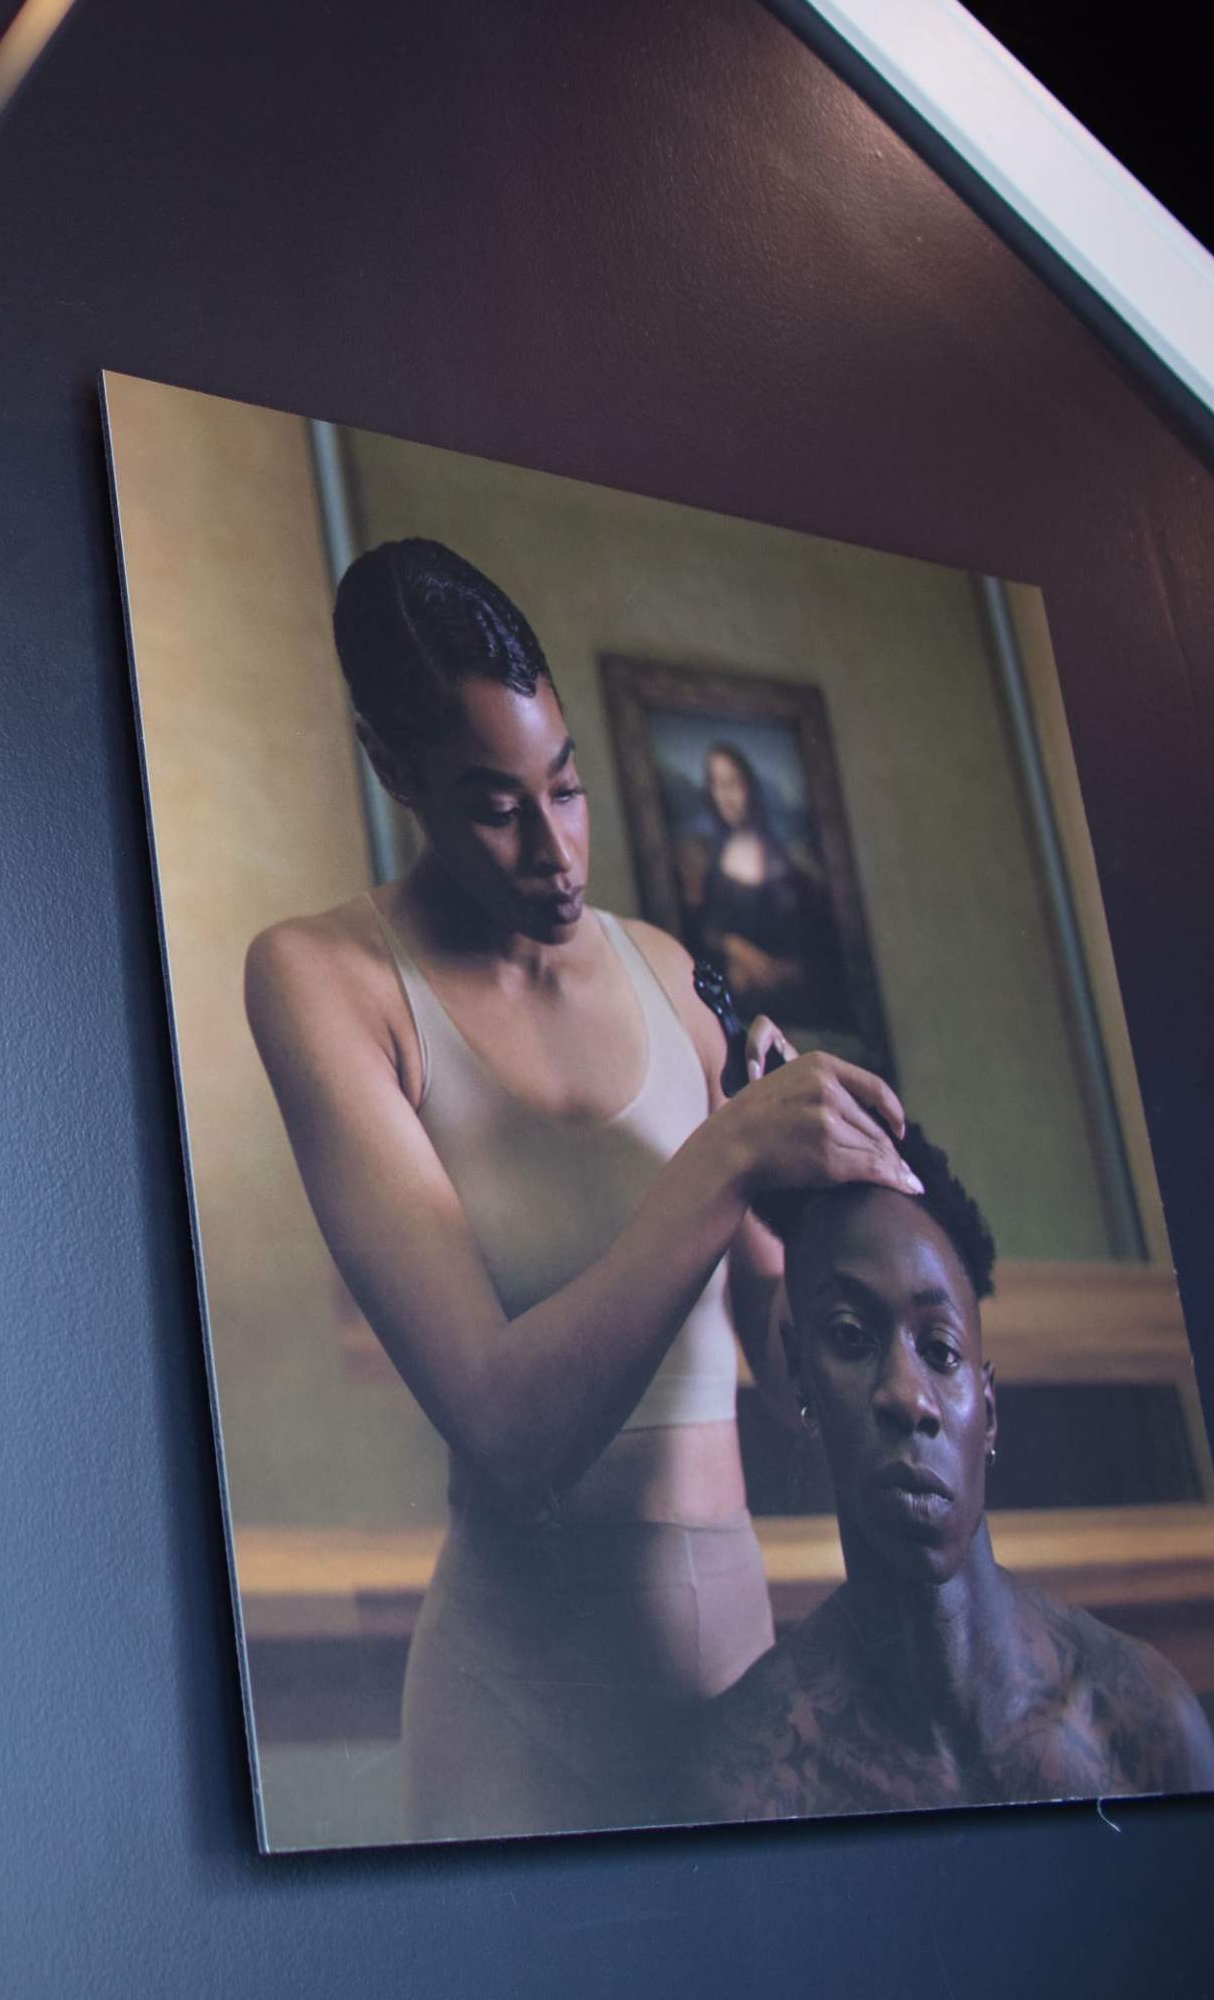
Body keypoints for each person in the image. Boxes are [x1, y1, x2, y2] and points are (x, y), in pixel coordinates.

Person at [244, 536, 922, 1840]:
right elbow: (508, 1438)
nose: (555, 849)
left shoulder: (671, 973)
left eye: (567, 786)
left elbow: (792, 1389)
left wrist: (811, 1220)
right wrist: (726, 1155)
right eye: (496, 806)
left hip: (740, 1675)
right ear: (394, 772)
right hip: (515, 1717)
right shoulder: (325, 980)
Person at [688, 1135, 1214, 1820]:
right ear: (800, 1377)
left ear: (989, 1412)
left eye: (940, 1349)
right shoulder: (749, 1778)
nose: (907, 1395)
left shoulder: (1142, 1721)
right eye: (851, 1335)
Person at [675, 741, 845, 1034]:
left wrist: (782, 969)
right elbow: (701, 938)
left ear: (749, 787)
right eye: (717, 786)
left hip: (797, 1009)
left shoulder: (790, 864)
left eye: (732, 784)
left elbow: (817, 947)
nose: (725, 797)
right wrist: (734, 948)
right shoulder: (704, 864)